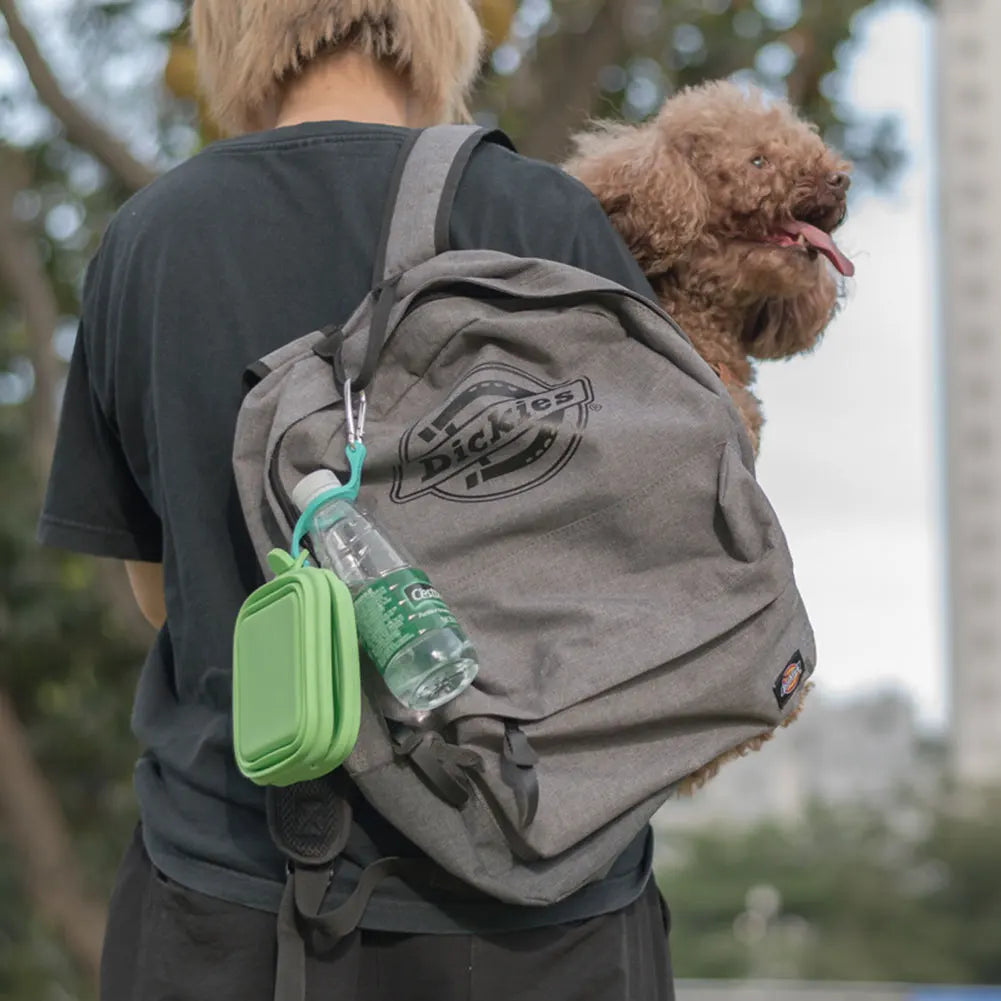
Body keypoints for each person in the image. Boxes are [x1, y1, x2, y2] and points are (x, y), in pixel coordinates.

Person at [38, 2, 675, 998]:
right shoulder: (543, 218)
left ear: (231, 30)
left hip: (237, 901)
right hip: (542, 912)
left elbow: (165, 596)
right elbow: (651, 549)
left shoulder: (150, 241)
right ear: (439, 24)